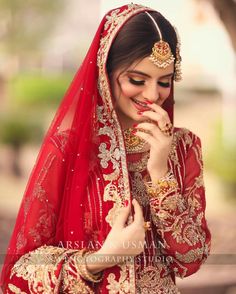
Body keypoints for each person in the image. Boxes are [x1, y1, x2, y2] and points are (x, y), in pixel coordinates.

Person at [0, 3, 211, 293]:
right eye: (137, 80)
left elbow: (191, 260)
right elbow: (18, 274)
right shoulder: (68, 150)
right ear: (105, 72)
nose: (153, 95)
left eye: (164, 82)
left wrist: (161, 175)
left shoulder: (184, 147)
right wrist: (101, 259)